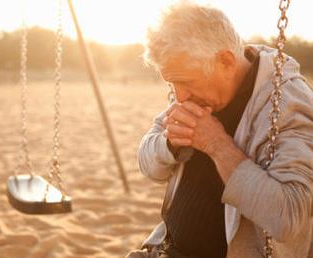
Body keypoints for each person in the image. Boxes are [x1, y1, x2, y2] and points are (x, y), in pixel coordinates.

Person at [125, 2, 313, 258]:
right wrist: (169, 144)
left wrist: (216, 144)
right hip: (165, 249)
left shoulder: (288, 102)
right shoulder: (197, 91)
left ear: (226, 61)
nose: (179, 96)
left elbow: (290, 217)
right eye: (172, 83)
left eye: (186, 82)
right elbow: (148, 165)